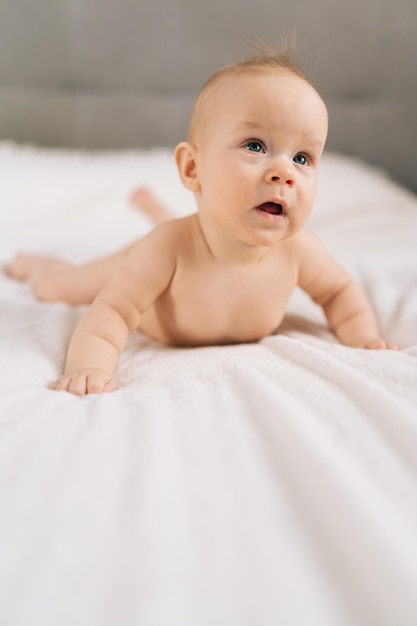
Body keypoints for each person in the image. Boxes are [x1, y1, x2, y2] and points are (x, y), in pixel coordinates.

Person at [7, 48, 398, 396]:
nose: (285, 172)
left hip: (187, 232)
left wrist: (362, 336)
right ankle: (43, 266)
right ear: (193, 168)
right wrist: (89, 367)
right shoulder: (164, 249)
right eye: (255, 146)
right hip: (143, 262)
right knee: (62, 288)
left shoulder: (300, 250)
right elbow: (110, 313)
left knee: (186, 223)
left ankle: (154, 208)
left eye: (303, 158)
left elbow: (338, 293)